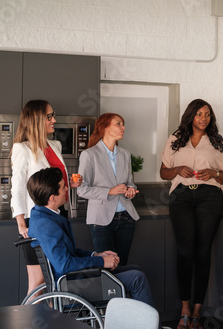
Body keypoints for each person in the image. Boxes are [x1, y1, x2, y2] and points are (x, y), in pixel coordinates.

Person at [27, 167, 155, 308]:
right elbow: (64, 265)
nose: (67, 190)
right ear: (52, 197)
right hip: (73, 285)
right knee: (137, 279)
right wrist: (101, 261)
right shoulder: (45, 224)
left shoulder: (45, 215)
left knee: (135, 269)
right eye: (63, 187)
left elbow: (70, 253)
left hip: (74, 278)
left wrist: (97, 254)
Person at [160, 99, 223, 329]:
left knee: (203, 251)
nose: (203, 118)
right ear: (190, 115)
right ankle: (184, 309)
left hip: (210, 197)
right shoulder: (175, 139)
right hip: (180, 197)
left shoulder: (217, 141)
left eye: (207, 114)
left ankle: (197, 312)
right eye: (199, 113)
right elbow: (163, 172)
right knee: (185, 250)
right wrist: (177, 170)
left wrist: (214, 172)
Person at [11, 99, 82, 297]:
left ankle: (51, 321)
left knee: (56, 278)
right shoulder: (22, 149)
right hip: (36, 220)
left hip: (59, 215)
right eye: (49, 116)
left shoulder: (55, 145)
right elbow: (16, 188)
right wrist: (21, 224)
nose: (54, 120)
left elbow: (53, 181)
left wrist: (69, 184)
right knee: (38, 280)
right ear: (36, 119)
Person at [77, 113, 140, 267]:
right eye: (119, 124)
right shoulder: (89, 155)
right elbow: (82, 190)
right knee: (107, 267)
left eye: (123, 124)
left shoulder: (125, 154)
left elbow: (130, 183)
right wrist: (109, 191)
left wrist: (130, 190)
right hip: (101, 219)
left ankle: (122, 292)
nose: (123, 128)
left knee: (122, 265)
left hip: (126, 218)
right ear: (104, 127)